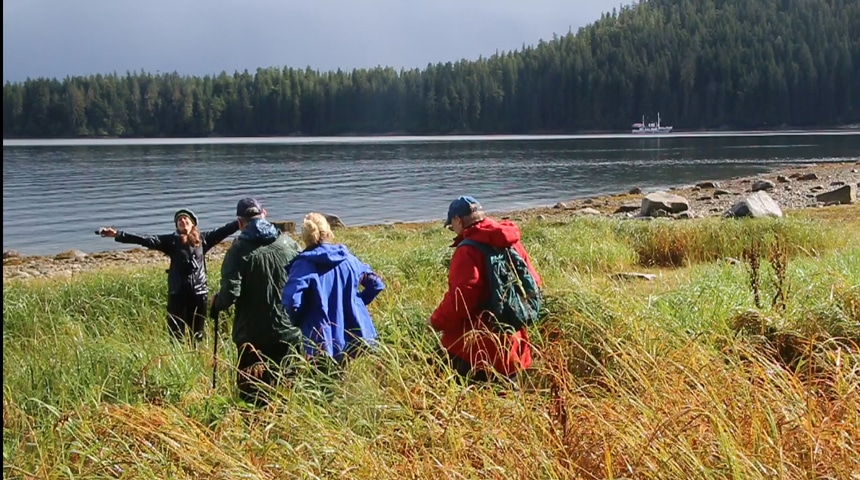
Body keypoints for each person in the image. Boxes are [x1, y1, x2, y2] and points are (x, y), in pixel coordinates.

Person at [429, 195, 542, 385]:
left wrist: (435, 321)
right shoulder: (511, 242)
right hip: (515, 340)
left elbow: (462, 299)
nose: (453, 230)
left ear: (458, 220)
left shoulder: (467, 250)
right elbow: (535, 281)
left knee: (445, 389)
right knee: (509, 402)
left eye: (451, 226)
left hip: (476, 348)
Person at [210, 197, 302, 405]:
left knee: (252, 392)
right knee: (287, 386)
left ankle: (255, 429)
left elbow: (231, 293)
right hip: (288, 330)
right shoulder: (289, 244)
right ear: (264, 214)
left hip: (252, 336)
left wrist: (216, 303)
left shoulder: (237, 251)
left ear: (240, 223)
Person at [98, 209, 239, 343]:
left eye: (185, 219)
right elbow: (144, 239)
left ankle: (197, 356)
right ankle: (178, 357)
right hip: (177, 294)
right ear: (177, 226)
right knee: (176, 333)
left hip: (199, 293)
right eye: (179, 220)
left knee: (197, 334)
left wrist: (243, 220)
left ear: (193, 223)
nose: (182, 221)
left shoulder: (203, 240)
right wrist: (118, 234)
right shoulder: (171, 241)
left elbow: (224, 230)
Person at [282, 212, 384, 371]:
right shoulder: (348, 258)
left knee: (326, 389)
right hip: (358, 335)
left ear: (305, 237)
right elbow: (376, 284)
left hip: (322, 341)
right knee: (354, 385)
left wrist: (301, 319)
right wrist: (356, 304)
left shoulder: (304, 264)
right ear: (329, 232)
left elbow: (291, 301)